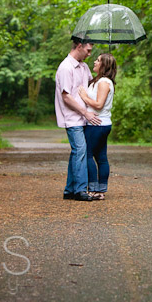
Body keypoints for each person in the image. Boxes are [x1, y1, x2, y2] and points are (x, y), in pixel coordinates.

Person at [55, 38, 100, 202]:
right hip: (72, 117)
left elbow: (91, 85)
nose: (90, 54)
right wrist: (85, 112)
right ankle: (80, 190)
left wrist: (106, 75)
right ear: (79, 46)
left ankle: (70, 190)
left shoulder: (84, 66)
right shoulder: (66, 67)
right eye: (88, 50)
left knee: (78, 152)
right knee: (80, 150)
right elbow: (66, 97)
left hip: (83, 118)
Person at [78, 53, 116, 201]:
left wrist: (84, 97)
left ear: (104, 65)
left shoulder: (104, 82)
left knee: (87, 155)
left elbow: (99, 105)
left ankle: (94, 190)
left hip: (97, 124)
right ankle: (100, 190)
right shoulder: (99, 81)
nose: (95, 61)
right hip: (99, 124)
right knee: (100, 157)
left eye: (98, 60)